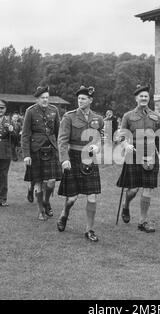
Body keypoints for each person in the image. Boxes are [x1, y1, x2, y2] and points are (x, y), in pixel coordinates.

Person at [116, 85, 160, 233]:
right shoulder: (128, 116)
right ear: (136, 98)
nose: (144, 98)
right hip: (133, 155)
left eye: (146, 96)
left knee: (148, 189)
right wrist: (125, 144)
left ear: (149, 98)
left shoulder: (156, 117)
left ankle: (142, 221)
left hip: (151, 156)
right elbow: (121, 136)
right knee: (133, 190)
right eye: (141, 96)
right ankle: (126, 205)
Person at [57, 86, 104, 242]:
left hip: (90, 158)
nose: (81, 101)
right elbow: (62, 140)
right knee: (72, 198)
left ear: (90, 100)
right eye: (79, 98)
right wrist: (64, 159)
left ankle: (89, 230)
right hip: (73, 158)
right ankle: (64, 214)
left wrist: (97, 145)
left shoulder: (98, 119)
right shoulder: (69, 117)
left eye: (84, 98)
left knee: (92, 196)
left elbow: (100, 136)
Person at [21, 86, 62, 220]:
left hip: (51, 148)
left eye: (47, 97)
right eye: (42, 98)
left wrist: (59, 149)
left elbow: (58, 132)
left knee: (51, 181)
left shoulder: (54, 110)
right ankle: (40, 211)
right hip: (36, 150)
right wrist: (26, 154)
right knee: (37, 181)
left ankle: (46, 201)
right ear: (37, 99)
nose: (45, 100)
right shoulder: (30, 111)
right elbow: (25, 135)